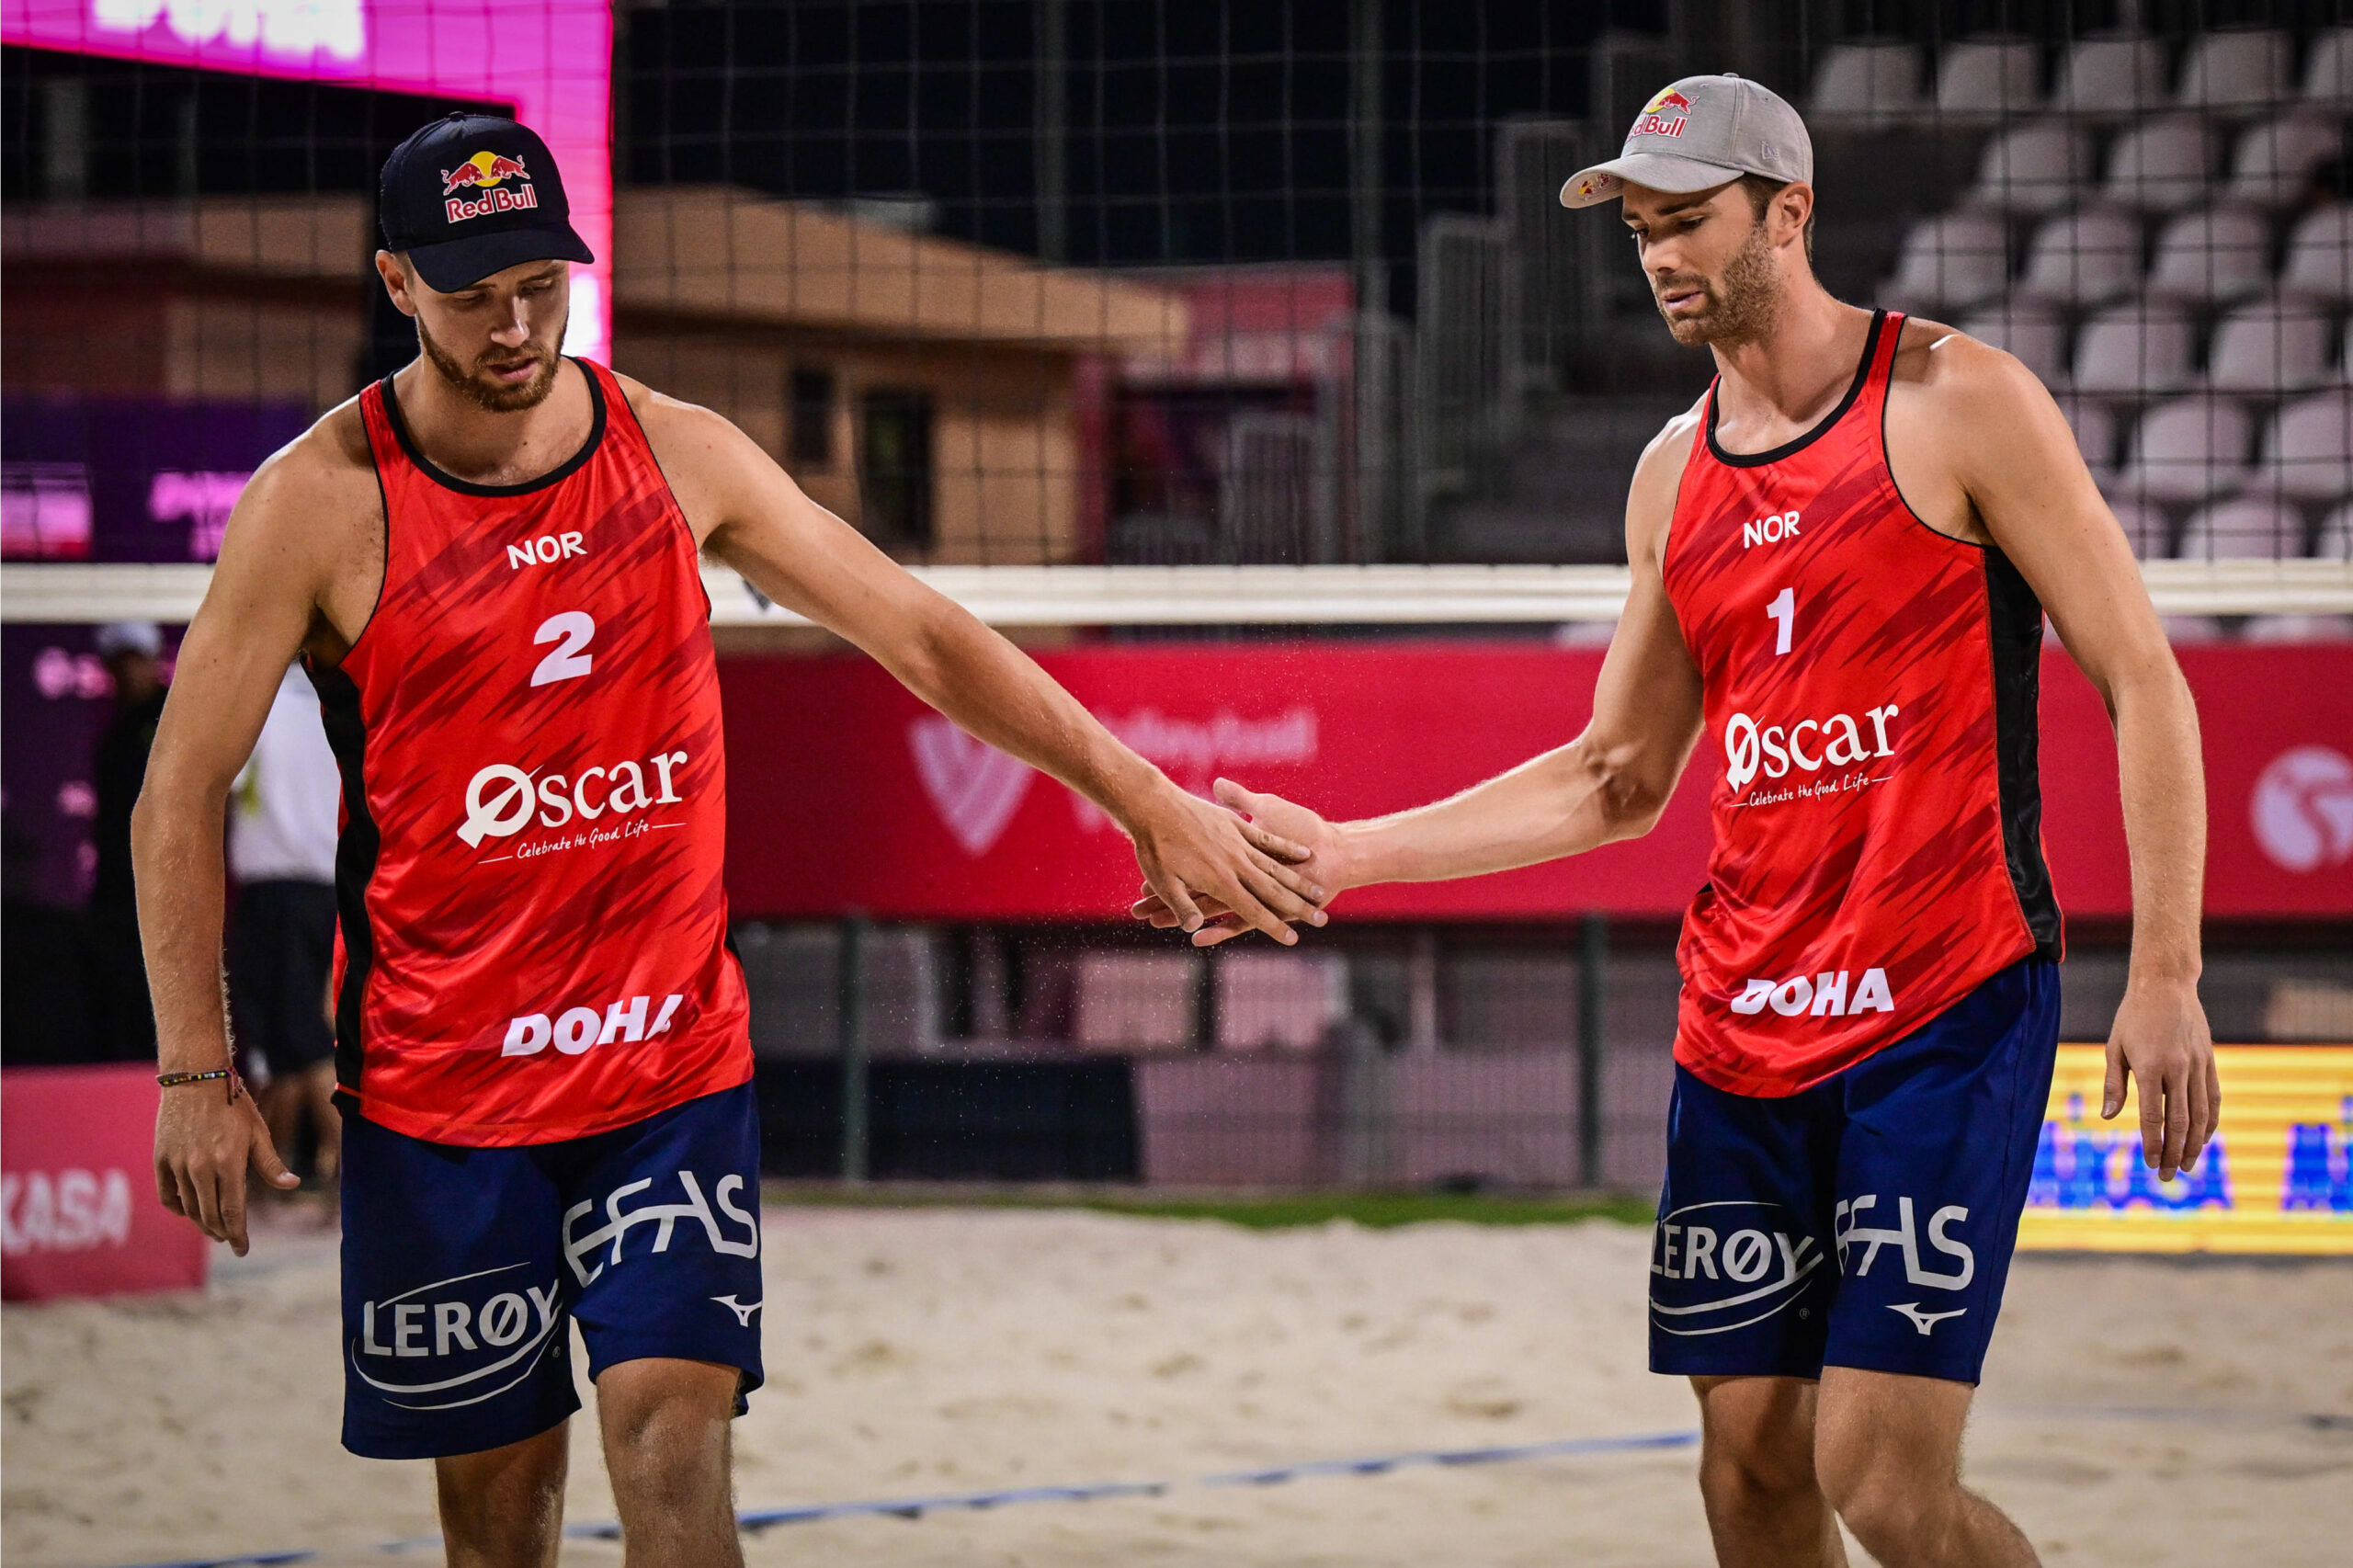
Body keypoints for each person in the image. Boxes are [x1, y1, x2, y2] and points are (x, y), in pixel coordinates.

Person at [135, 112, 1324, 1568]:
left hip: (666, 1072)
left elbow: (926, 636)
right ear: (396, 283)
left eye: (538, 285)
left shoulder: (675, 450)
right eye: (471, 294)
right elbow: (176, 793)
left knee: (676, 1445)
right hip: (445, 1091)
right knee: (497, 1523)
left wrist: (1149, 795)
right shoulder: (316, 505)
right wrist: (197, 1066)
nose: (515, 324)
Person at [1138, 75, 2220, 1568]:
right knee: (1747, 1475)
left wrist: (2166, 970)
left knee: (1885, 1481)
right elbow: (1614, 776)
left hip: (1943, 999)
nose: (1659, 257)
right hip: (1744, 1022)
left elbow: (2144, 679)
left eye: (1689, 222)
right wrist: (1350, 852)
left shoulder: (1960, 399)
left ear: (1791, 210)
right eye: (1642, 230)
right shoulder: (1672, 474)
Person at [227, 658, 345, 1197]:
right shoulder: (340, 707)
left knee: (301, 1040)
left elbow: (219, 789)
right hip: (333, 889)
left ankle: (341, 1170)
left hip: (276, 895)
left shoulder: (258, 709)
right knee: (293, 1042)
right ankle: (287, 1172)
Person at [89, 619, 167, 1062]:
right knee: (124, 1001)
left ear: (154, 661)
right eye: (120, 662)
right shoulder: (113, 733)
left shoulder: (177, 721)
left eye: (136, 659)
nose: (129, 672)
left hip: (164, 889)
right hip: (120, 894)